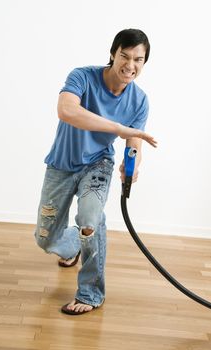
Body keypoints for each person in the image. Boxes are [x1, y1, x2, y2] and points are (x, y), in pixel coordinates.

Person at [35, 28, 157, 315]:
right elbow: (67, 111)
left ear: (144, 62)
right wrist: (119, 128)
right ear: (113, 54)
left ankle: (91, 293)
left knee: (90, 220)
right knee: (45, 239)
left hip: (98, 165)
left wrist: (133, 166)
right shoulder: (82, 77)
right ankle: (73, 246)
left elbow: (133, 143)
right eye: (124, 56)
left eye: (138, 59)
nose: (130, 65)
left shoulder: (139, 100)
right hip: (61, 164)